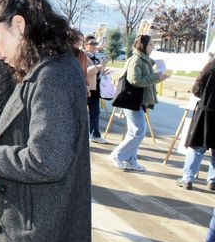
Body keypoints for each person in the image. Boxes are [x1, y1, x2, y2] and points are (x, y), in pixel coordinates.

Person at [0, 0, 91, 242]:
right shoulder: (42, 68)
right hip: (32, 223)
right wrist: (1, 59)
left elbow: (47, 160)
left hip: (38, 231)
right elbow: (6, 105)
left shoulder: (52, 77)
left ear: (20, 25)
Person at [109, 35, 169, 171]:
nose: (152, 47)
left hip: (138, 100)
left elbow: (145, 79)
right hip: (132, 99)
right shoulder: (136, 60)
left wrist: (158, 77)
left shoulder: (144, 60)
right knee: (138, 131)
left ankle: (131, 160)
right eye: (150, 45)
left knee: (134, 131)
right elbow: (135, 80)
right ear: (142, 46)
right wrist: (156, 76)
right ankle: (118, 155)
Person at [177, 55, 215, 190]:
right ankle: (212, 180)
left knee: (197, 147)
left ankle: (188, 179)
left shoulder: (209, 67)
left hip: (205, 113)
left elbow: (196, 90)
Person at [85, 35, 109, 143]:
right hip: (85, 88)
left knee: (95, 112)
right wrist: (96, 68)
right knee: (81, 114)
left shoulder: (98, 57)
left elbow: (97, 72)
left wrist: (103, 72)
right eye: (92, 44)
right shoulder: (82, 55)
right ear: (85, 45)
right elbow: (83, 71)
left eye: (95, 43)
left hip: (96, 89)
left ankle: (95, 134)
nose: (94, 46)